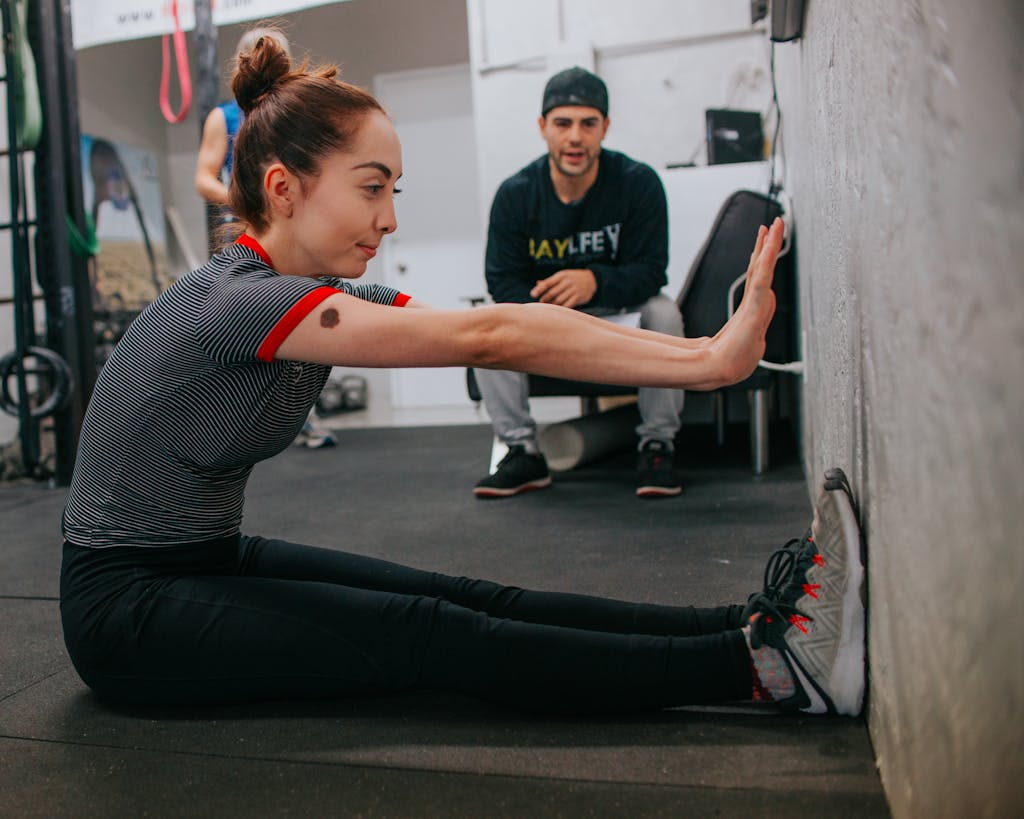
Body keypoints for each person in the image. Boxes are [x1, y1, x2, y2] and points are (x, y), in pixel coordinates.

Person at [59, 31, 865, 718]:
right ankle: (768, 672)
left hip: (205, 557)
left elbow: (512, 331)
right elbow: (491, 332)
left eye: (393, 190)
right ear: (284, 188)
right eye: (372, 188)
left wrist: (705, 355)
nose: (390, 218)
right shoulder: (241, 302)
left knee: (467, 595)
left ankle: (752, 623)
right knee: (427, 632)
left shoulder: (322, 295)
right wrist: (708, 362)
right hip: (126, 609)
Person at [473, 67, 685, 500]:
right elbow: (502, 280)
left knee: (664, 312)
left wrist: (593, 281)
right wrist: (550, 314)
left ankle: (657, 445)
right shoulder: (515, 193)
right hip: (545, 316)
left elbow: (651, 270)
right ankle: (521, 451)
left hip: (614, 311)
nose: (575, 137)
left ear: (605, 127)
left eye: (588, 123)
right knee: (482, 321)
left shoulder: (638, 183)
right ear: (543, 128)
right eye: (563, 123)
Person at [194, 28, 332, 448]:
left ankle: (301, 416)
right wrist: (246, 202)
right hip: (247, 233)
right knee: (245, 324)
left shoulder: (298, 111)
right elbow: (203, 177)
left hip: (295, 229)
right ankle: (242, 419)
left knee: (305, 314)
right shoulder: (224, 117)